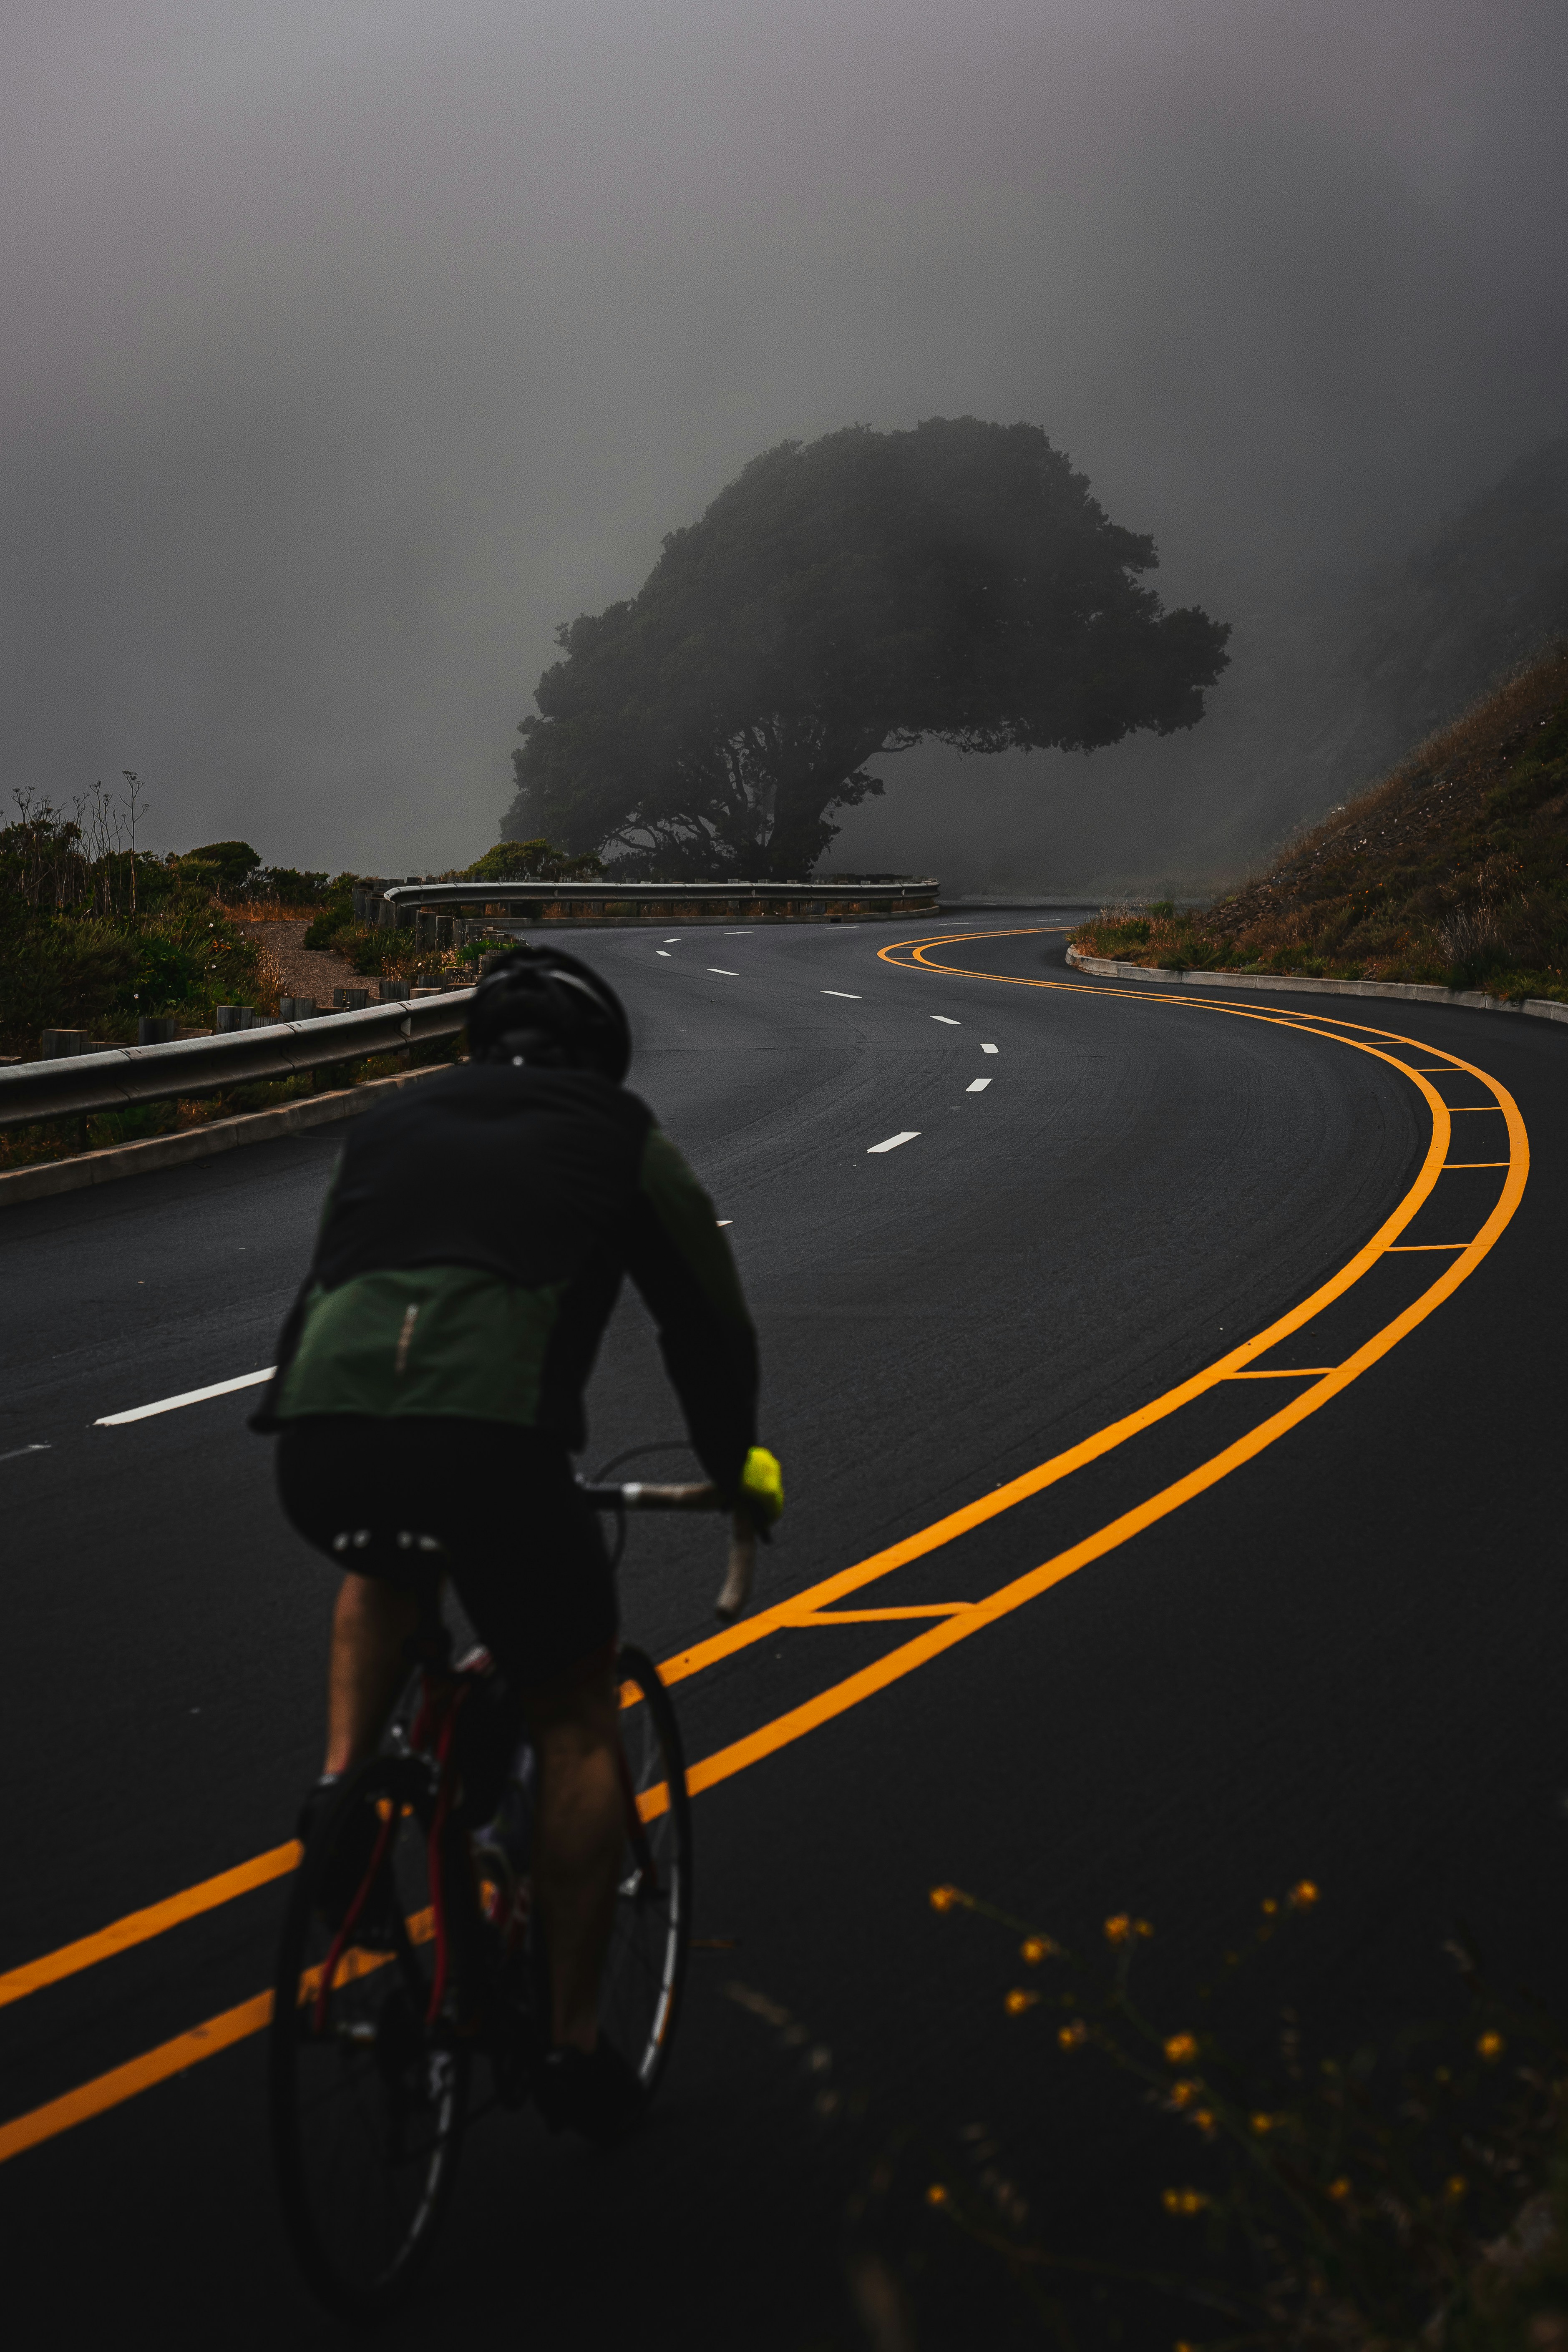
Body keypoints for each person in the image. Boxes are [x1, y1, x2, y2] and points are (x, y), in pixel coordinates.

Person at [253, 943, 783, 2141]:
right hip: (491, 1451)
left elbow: (325, 1289)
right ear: (602, 1060)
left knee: (385, 1563)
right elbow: (704, 1324)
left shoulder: (388, 1129)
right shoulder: (620, 1135)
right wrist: (733, 1467)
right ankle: (573, 2043)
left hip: (319, 1439)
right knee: (576, 1714)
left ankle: (343, 1790)